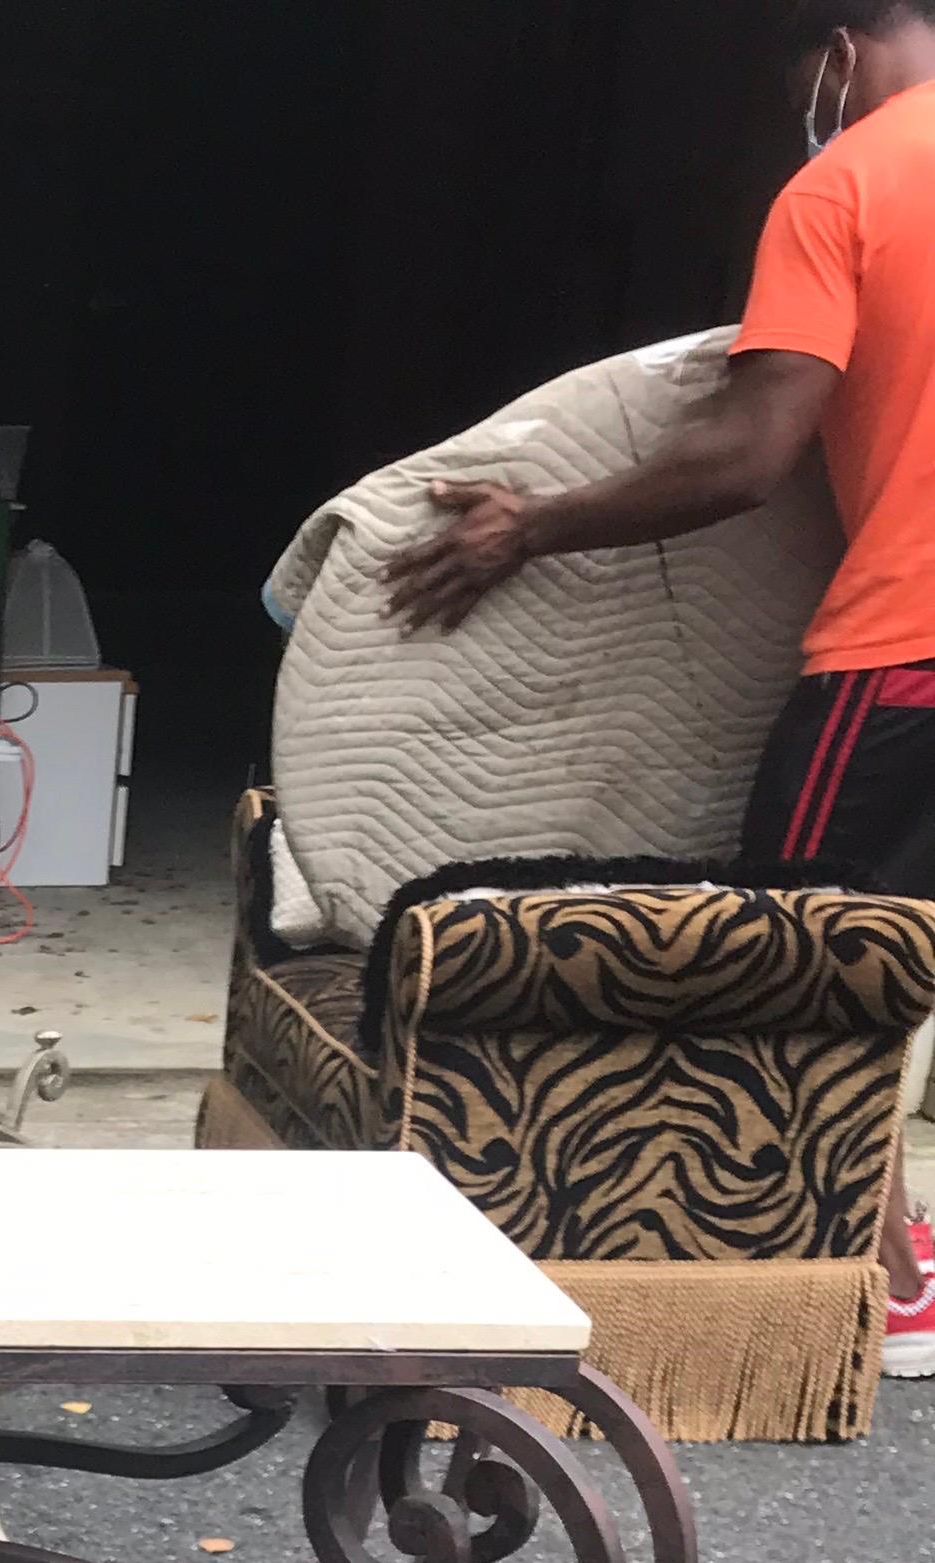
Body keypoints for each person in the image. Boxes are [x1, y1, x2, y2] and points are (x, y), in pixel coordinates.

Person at [386, 2, 935, 1365]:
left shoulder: (848, 179)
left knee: (786, 958)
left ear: (839, 53)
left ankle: (889, 1289)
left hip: (908, 643)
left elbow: (748, 452)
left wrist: (531, 523)